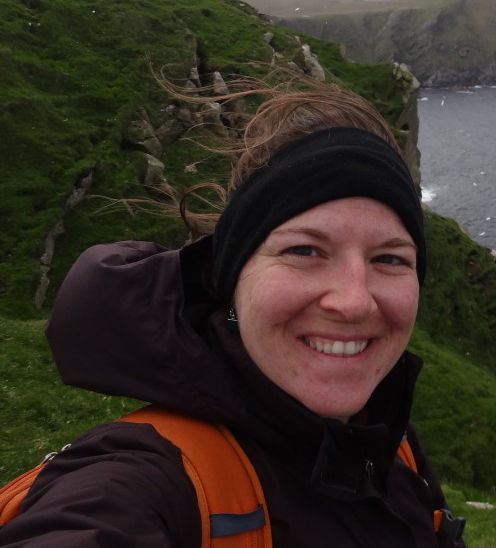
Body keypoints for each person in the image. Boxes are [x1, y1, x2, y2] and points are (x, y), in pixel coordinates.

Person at [0, 73, 465, 547]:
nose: (352, 301)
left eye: (389, 258)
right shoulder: (146, 480)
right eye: (304, 251)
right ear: (231, 277)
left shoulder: (388, 441)